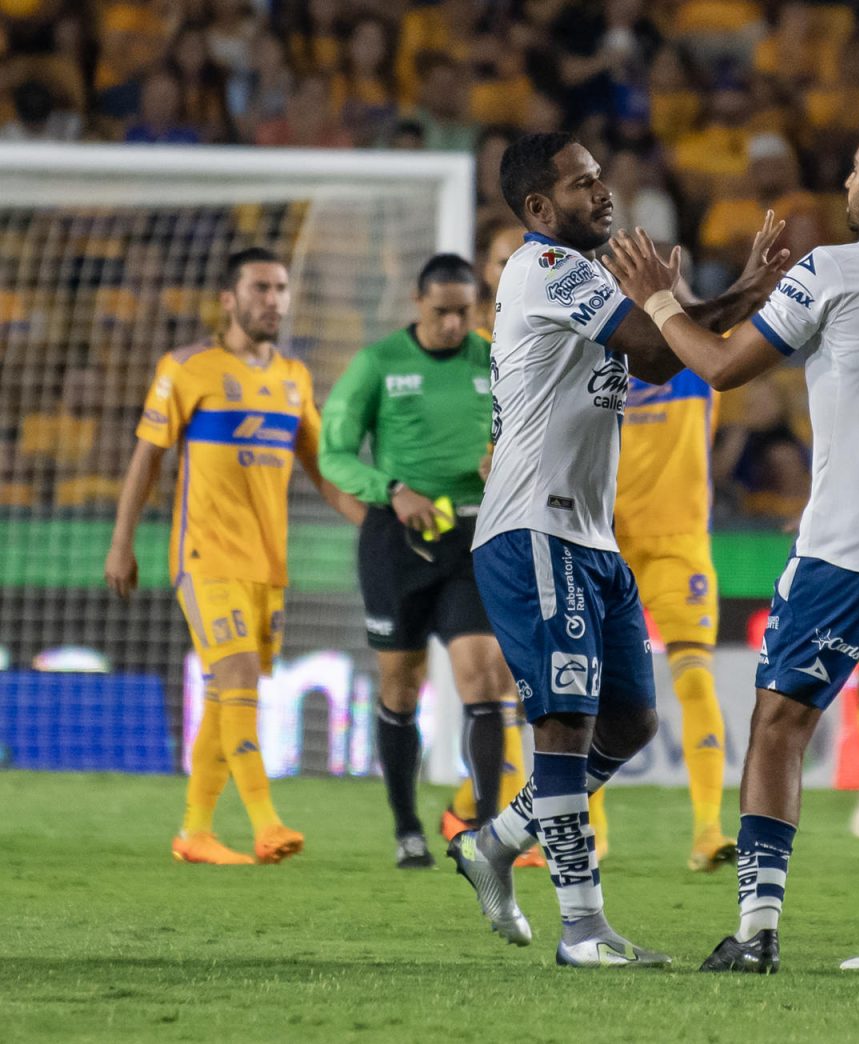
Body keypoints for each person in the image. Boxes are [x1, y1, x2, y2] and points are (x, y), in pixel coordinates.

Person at [604, 120, 859, 977]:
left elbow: (721, 367)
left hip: (848, 540)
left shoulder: (835, 268)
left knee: (779, 722)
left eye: (854, 172)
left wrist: (662, 300)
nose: (847, 186)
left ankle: (756, 930)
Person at [444, 131, 787, 967]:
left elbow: (668, 347)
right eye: (582, 183)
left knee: (628, 721)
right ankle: (583, 928)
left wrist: (741, 291)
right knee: (563, 722)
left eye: (601, 179)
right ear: (537, 208)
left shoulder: (587, 276)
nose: (604, 193)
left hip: (589, 535)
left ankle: (496, 841)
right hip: (534, 527)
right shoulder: (543, 269)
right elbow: (660, 349)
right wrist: (688, 301)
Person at [104, 247, 364, 866]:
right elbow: (147, 458)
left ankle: (194, 832)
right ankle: (266, 823)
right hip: (205, 556)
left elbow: (323, 470)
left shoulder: (293, 378)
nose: (272, 300)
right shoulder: (186, 368)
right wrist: (122, 542)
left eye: (280, 289)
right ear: (229, 299)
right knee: (238, 678)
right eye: (259, 288)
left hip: (267, 565)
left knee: (228, 696)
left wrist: (373, 522)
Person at [318, 253, 529, 870]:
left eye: (464, 312)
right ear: (417, 303)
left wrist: (504, 458)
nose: (453, 324)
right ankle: (407, 826)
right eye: (441, 312)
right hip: (399, 543)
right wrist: (389, 489)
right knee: (400, 685)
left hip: (471, 541)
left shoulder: (493, 357)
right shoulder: (378, 364)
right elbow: (334, 453)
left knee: (485, 676)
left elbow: (527, 430)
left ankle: (491, 832)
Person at [610, 317, 736, 873]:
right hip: (603, 539)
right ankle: (590, 835)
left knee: (693, 679)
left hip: (678, 545)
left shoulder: (696, 359)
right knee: (587, 689)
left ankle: (708, 830)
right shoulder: (598, 355)